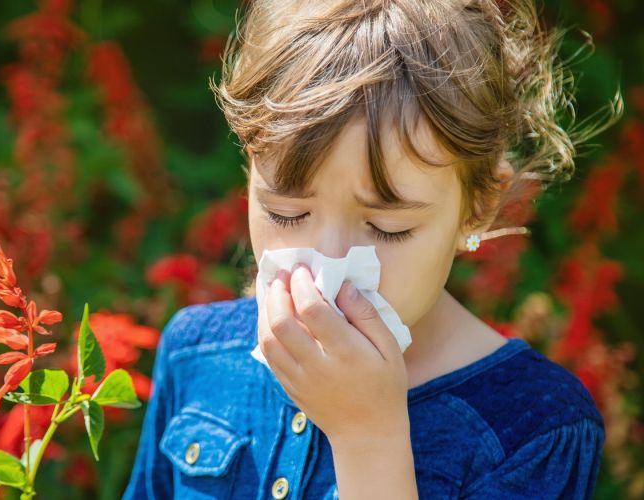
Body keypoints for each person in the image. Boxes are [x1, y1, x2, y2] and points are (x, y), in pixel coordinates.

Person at [123, 0, 622, 498]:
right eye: (287, 213)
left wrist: (367, 437)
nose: (328, 269)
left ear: (479, 206)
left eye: (386, 227)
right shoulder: (196, 355)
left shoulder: (534, 429)